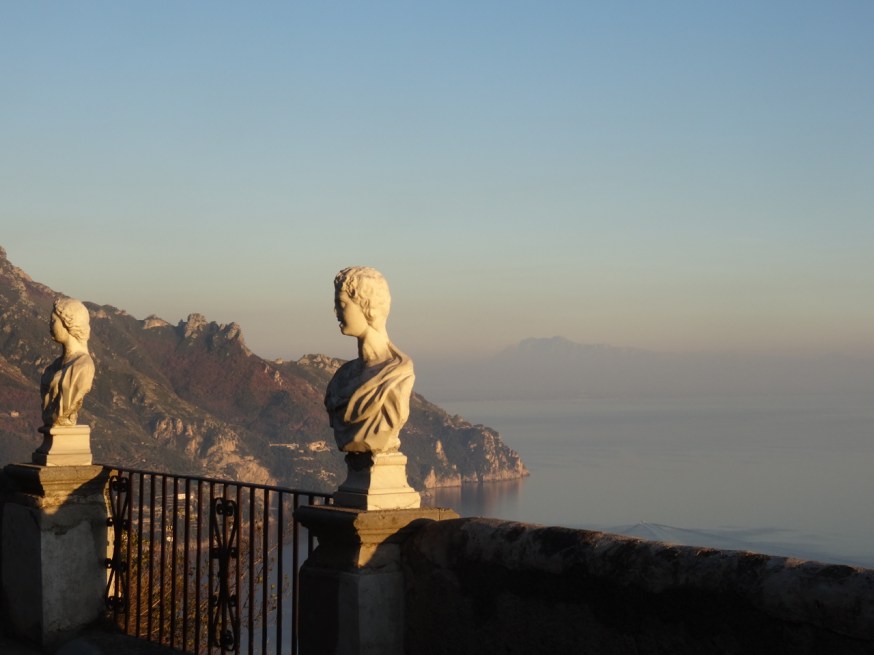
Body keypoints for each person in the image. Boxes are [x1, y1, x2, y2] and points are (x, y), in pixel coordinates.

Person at [324, 267, 414, 453]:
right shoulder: (342, 377)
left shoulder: (397, 376)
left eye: (341, 304)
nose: (336, 312)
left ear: (368, 307)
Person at [40, 298, 95, 427]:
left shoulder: (83, 367)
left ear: (69, 324)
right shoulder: (54, 367)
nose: (50, 325)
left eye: (53, 321)